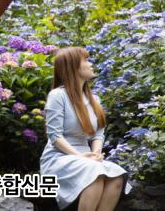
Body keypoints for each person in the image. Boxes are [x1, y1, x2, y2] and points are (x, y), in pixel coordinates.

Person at [40, 47, 131, 211]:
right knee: (94, 173)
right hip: (60, 157)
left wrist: (95, 154)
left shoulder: (94, 99)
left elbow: (98, 134)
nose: (91, 64)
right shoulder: (57, 95)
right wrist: (80, 156)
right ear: (73, 67)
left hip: (86, 157)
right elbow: (55, 136)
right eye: (86, 60)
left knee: (117, 176)